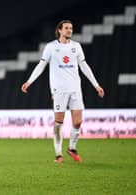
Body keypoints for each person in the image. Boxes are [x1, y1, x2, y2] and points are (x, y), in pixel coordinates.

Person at [21, 20, 104, 163]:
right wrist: (29, 81)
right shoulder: (51, 47)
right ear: (59, 30)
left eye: (71, 28)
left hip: (75, 89)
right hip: (59, 90)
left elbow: (84, 66)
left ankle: (72, 148)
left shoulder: (76, 47)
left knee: (78, 122)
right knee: (59, 122)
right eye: (66, 28)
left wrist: (96, 85)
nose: (69, 30)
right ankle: (58, 154)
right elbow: (41, 65)